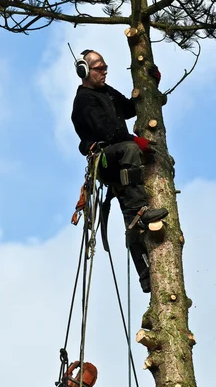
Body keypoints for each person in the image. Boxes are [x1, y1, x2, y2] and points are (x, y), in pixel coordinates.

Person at [71, 49, 168, 293]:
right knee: (128, 150)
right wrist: (136, 142)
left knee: (130, 216)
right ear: (84, 70)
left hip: (120, 157)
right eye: (99, 68)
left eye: (105, 67)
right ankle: (141, 209)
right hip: (106, 157)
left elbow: (128, 108)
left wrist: (150, 84)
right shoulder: (84, 99)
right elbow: (108, 133)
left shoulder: (106, 92)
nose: (104, 72)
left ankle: (145, 273)